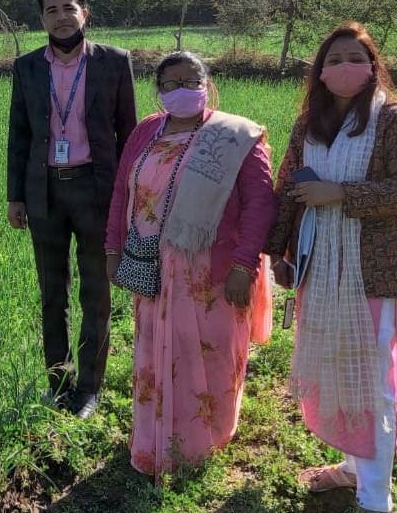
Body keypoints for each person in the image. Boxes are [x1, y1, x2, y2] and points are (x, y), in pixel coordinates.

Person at [266, 21, 397, 513]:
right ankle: (352, 466)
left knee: (373, 378)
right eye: (332, 60)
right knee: (339, 370)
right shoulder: (308, 125)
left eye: (354, 58)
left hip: (375, 269)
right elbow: (288, 187)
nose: (343, 68)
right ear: (318, 72)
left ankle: (375, 497)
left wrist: (340, 193)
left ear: (373, 66)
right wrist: (278, 251)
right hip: (320, 265)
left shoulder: (393, 120)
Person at [105, 51, 275, 478]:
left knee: (210, 353)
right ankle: (153, 439)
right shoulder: (146, 131)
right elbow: (122, 194)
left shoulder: (235, 136)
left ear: (206, 82)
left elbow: (259, 205)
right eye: (170, 83)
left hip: (210, 272)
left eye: (190, 79)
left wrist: (243, 266)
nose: (181, 89)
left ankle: (205, 440)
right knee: (157, 352)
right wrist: (112, 248)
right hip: (153, 265)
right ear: (159, 91)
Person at [7, 0, 137, 419]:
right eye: (51, 11)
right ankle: (57, 384)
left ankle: (89, 389)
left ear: (85, 13)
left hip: (96, 190)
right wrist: (15, 197)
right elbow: (19, 135)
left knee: (96, 294)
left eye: (68, 8)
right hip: (43, 192)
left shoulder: (114, 63)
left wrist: (127, 199)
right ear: (42, 19)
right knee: (52, 294)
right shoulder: (26, 67)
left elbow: (129, 136)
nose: (61, 17)